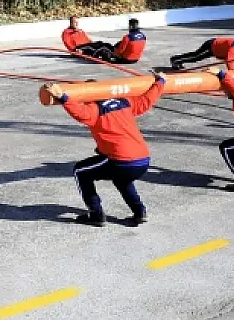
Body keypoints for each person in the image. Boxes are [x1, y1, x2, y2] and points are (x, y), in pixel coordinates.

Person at [47, 73, 167, 227]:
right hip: (143, 160)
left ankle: (96, 214)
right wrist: (161, 81)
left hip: (121, 160)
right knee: (122, 180)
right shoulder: (125, 102)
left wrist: (63, 97)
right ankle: (139, 212)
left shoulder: (94, 108)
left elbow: (80, 113)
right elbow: (147, 100)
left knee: (80, 171)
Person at [170, 37, 234, 71]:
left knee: (196, 57)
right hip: (211, 45)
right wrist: (232, 72)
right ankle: (175, 60)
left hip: (215, 51)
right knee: (196, 56)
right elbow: (229, 61)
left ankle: (177, 60)